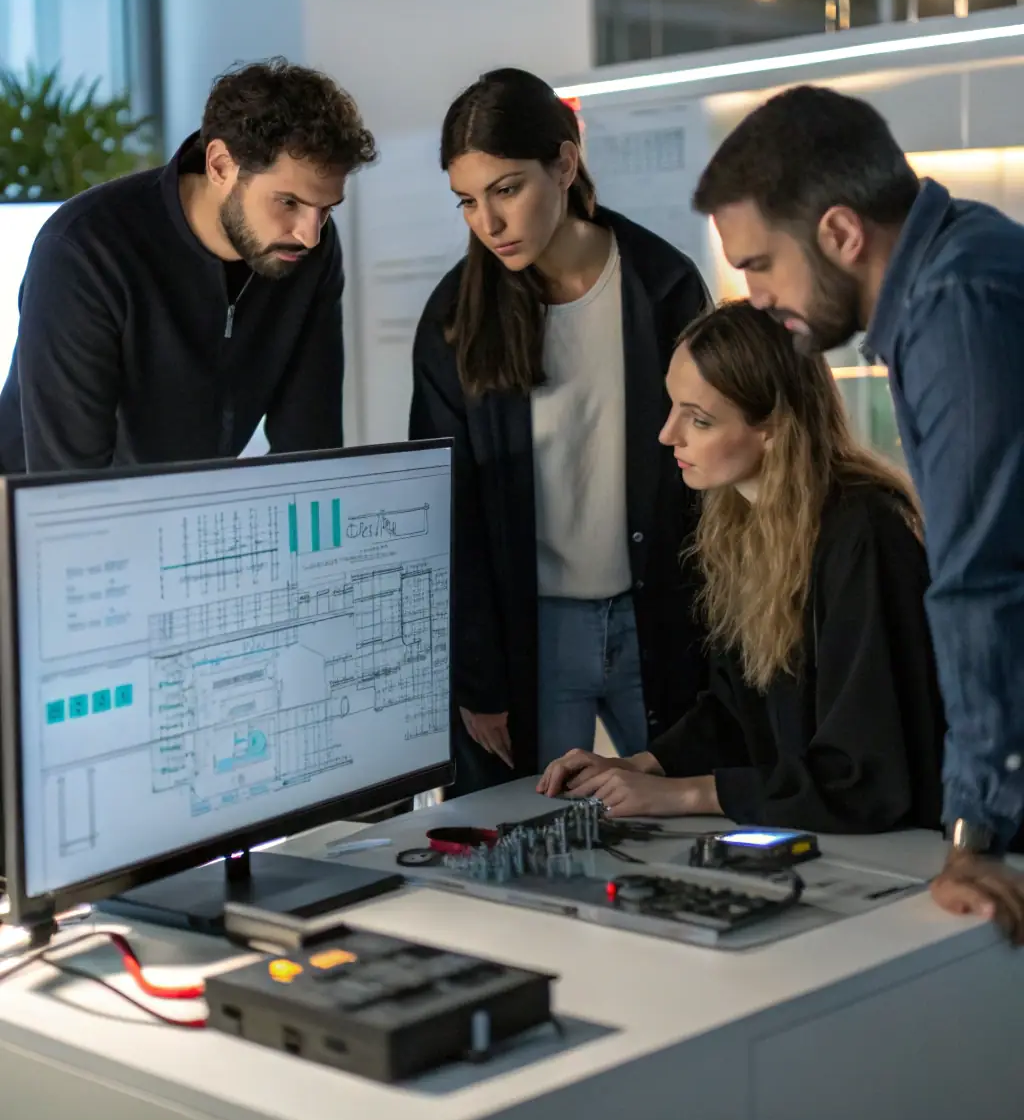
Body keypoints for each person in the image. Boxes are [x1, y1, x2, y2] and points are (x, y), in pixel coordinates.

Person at [688, 84, 1024, 942]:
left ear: (839, 232)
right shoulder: (969, 254)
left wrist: (975, 833)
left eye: (760, 263)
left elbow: (983, 575)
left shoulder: (955, 306)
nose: (754, 296)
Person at [410, 67, 710, 796]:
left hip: (659, 619)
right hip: (532, 636)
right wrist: (477, 675)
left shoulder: (663, 285)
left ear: (565, 163)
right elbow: (447, 509)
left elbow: (711, 480)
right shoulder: (456, 316)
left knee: (692, 819)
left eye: (507, 188)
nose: (490, 222)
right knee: (529, 839)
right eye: (468, 201)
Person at [539, 301, 945, 835]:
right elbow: (739, 711)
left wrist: (682, 796)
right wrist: (637, 767)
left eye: (699, 420)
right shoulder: (741, 517)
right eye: (672, 406)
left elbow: (862, 772)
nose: (667, 435)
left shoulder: (864, 536)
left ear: (774, 426)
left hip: (905, 851)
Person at [0, 58, 377, 472]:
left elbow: (311, 448)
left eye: (326, 210)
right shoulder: (84, 250)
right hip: (29, 512)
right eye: (288, 202)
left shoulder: (309, 253)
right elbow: (68, 480)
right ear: (219, 166)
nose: (310, 234)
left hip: (178, 506)